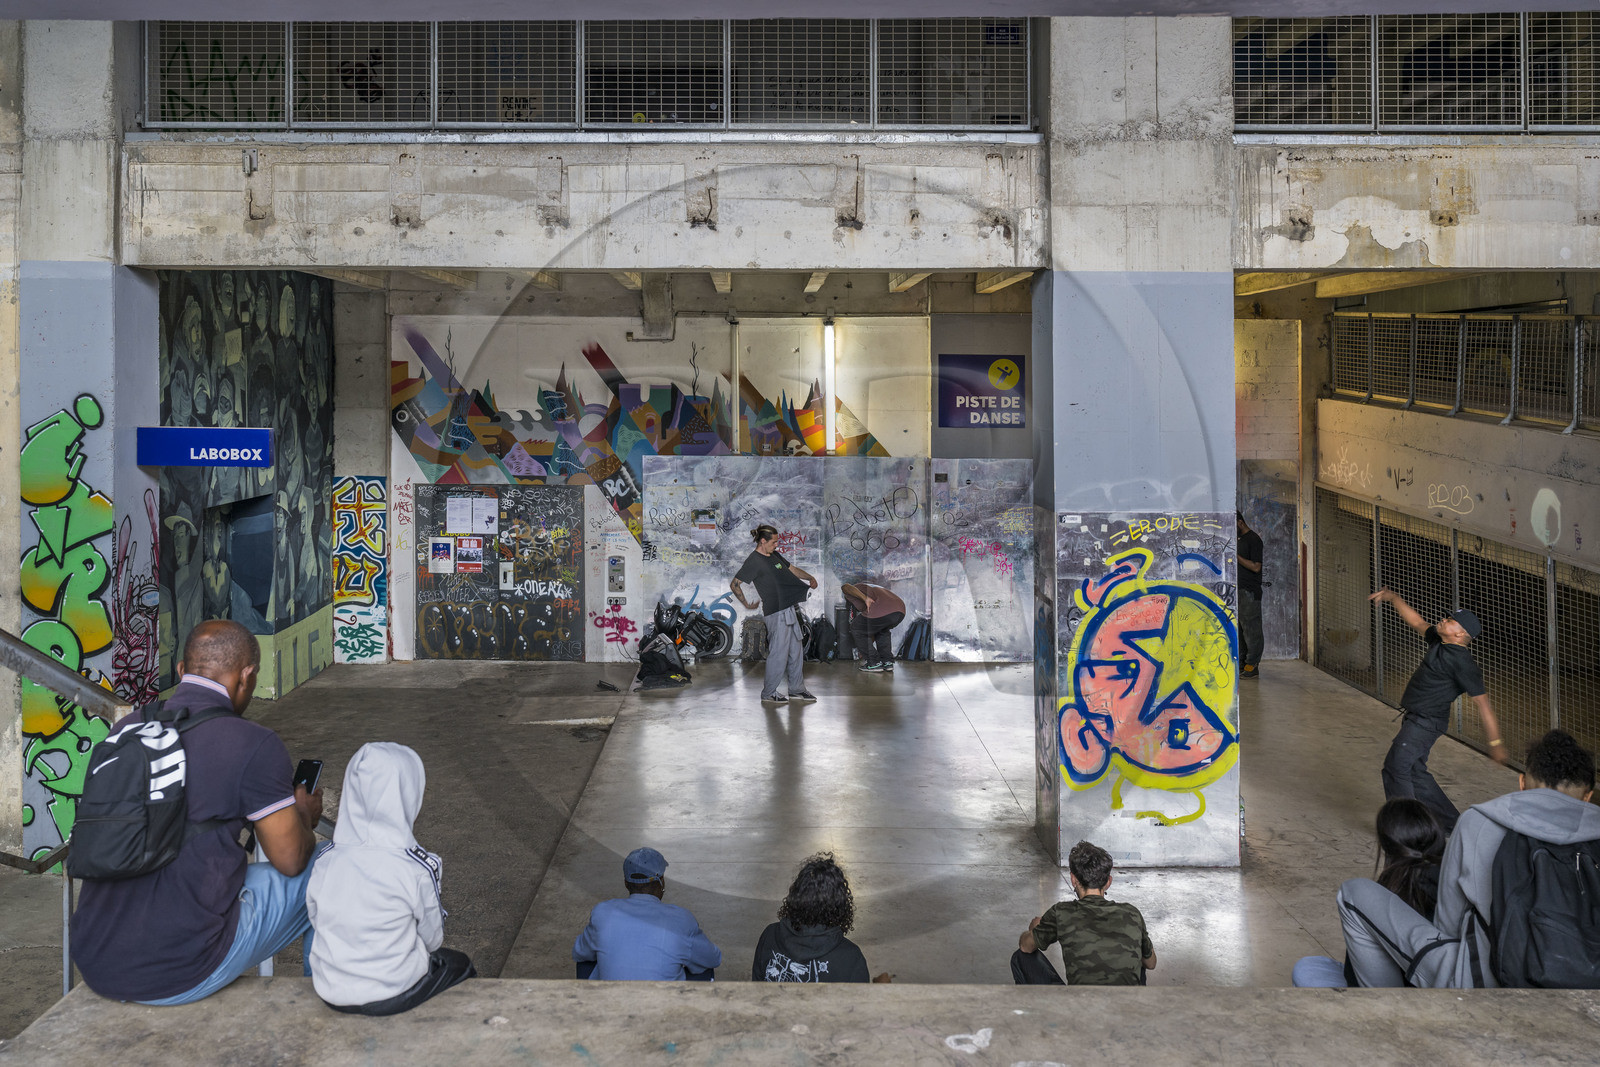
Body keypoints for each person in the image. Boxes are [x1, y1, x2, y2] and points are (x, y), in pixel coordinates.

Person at [71, 620, 323, 1004]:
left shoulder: (129, 729)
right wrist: (302, 814)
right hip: (180, 969)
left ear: (182, 671)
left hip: (97, 961)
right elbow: (290, 861)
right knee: (330, 865)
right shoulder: (253, 743)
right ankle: (335, 999)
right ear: (248, 675)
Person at [1337, 729, 1600, 988]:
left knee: (1353, 894)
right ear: (1588, 796)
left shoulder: (1481, 821)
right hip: (1588, 984)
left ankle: (1388, 1011)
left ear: (1522, 784)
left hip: (1481, 984)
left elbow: (1447, 925)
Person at [306, 742, 476, 1015]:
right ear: (409, 794)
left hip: (329, 990)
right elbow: (432, 940)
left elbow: (317, 918)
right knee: (459, 964)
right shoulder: (417, 866)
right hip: (390, 994)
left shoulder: (326, 859)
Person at [1369, 588, 1508, 832]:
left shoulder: (1463, 663)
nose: (1443, 619)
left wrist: (1495, 743)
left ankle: (1405, 829)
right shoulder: (1439, 639)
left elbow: (1483, 704)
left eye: (1449, 620)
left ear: (1460, 633)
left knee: (1396, 766)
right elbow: (1417, 621)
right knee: (1414, 771)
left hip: (1426, 722)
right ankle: (1452, 824)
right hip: (1415, 718)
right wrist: (1394, 597)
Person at [1292, 799, 1444, 987]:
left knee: (1306, 969)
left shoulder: (1383, 894)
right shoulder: (1453, 883)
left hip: (1396, 998)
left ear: (1386, 847)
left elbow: (1356, 974)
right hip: (1444, 985)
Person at [1013, 840, 1156, 986]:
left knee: (1020, 957)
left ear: (1073, 879)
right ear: (1108, 882)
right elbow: (1151, 963)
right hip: (1127, 1005)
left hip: (1081, 1004)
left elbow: (1026, 946)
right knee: (1140, 963)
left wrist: (1035, 930)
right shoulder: (1131, 913)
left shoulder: (1062, 912)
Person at [572, 847, 722, 980]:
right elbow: (713, 958)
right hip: (661, 1008)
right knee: (703, 969)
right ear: (661, 880)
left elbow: (579, 952)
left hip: (611, 1005)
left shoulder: (603, 912)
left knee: (589, 961)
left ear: (626, 882)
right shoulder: (681, 919)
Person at [752, 854, 892, 983]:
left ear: (795, 896)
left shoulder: (769, 935)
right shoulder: (851, 958)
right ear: (840, 906)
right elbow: (858, 1007)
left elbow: (756, 989)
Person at [731, 523, 819, 706]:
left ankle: (796, 688)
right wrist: (746, 603)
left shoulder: (774, 556)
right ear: (763, 541)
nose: (776, 545)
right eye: (774, 542)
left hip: (789, 609)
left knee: (796, 651)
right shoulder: (754, 560)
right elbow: (735, 584)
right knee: (779, 654)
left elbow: (792, 569)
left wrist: (809, 577)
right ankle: (769, 692)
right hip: (775, 612)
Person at [841, 581, 906, 673]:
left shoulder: (855, 588)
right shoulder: (873, 588)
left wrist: (865, 598)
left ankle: (874, 663)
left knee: (856, 628)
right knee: (882, 630)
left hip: (881, 610)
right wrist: (865, 646)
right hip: (900, 610)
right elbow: (870, 627)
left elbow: (845, 586)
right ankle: (887, 661)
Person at [1236, 511, 1263, 679]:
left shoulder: (1254, 540)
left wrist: (1236, 556)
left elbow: (1256, 567)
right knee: (1240, 630)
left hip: (1249, 592)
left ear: (1240, 523)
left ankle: (1252, 665)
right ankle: (1243, 664)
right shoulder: (1239, 540)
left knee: (1252, 630)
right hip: (1238, 590)